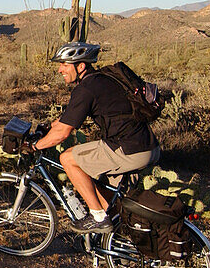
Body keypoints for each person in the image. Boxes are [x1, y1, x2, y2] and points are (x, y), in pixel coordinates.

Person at [31, 41, 160, 233]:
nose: (60, 70)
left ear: (80, 66)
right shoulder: (102, 79)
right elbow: (65, 121)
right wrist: (47, 127)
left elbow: (63, 133)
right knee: (98, 187)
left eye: (64, 64)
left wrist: (34, 146)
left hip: (128, 149)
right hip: (146, 146)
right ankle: (117, 236)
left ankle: (98, 218)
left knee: (67, 158)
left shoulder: (86, 90)